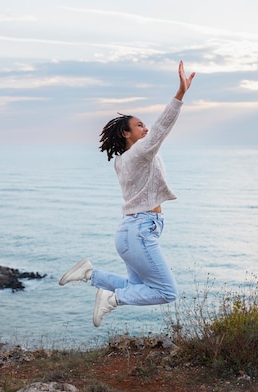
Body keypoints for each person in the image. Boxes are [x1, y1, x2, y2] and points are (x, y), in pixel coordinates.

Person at [59, 60, 196, 327]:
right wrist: (180, 94)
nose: (146, 129)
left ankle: (91, 273)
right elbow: (161, 128)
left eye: (145, 125)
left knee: (138, 286)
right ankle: (112, 299)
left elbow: (155, 136)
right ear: (126, 133)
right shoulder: (139, 154)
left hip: (130, 232)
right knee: (166, 292)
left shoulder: (125, 159)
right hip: (141, 230)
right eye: (140, 126)